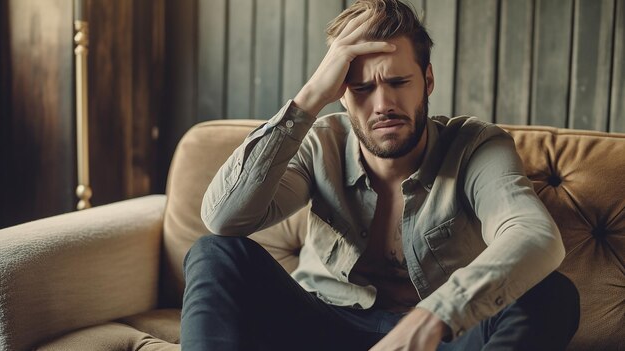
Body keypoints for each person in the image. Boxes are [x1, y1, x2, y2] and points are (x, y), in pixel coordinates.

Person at [181, 0, 580, 350]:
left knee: (551, 294)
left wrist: (435, 316)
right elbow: (224, 218)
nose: (383, 104)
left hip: (436, 338)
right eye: (361, 88)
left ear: (427, 81)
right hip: (324, 328)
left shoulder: (475, 146)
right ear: (340, 92)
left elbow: (534, 236)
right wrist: (309, 98)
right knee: (215, 253)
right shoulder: (322, 144)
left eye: (398, 82)